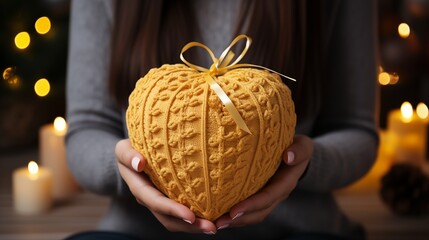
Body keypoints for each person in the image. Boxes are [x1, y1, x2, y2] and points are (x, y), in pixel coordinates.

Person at [65, 0, 379, 239]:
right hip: (137, 232)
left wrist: (307, 163)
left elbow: (356, 128)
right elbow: (86, 128)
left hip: (297, 229)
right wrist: (126, 169)